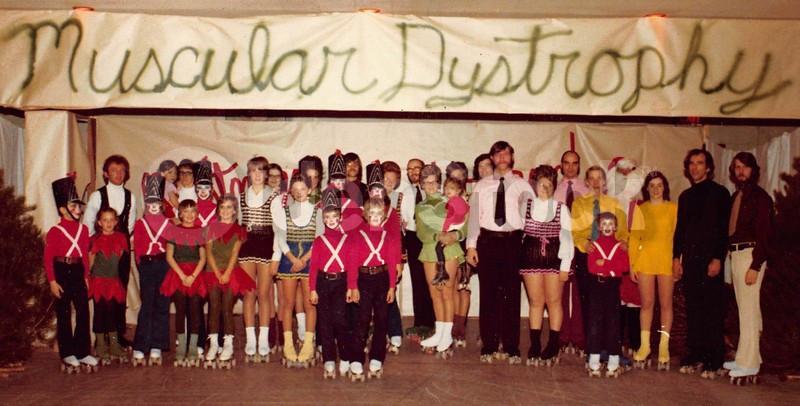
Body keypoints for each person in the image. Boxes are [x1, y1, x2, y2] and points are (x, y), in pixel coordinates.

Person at [466, 141, 534, 364]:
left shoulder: (523, 185)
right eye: (498, 154)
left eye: (506, 153)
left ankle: (512, 346)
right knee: (488, 295)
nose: (502, 157)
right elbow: (474, 218)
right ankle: (489, 344)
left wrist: (528, 246)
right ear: (492, 159)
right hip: (488, 241)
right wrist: (471, 246)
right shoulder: (481, 186)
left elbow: (531, 218)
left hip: (513, 243)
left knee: (512, 295)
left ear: (512, 157)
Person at [673, 149, 731, 378]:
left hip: (711, 261)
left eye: (700, 163)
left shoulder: (720, 193)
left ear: (708, 167)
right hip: (691, 263)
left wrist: (718, 257)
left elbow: (723, 230)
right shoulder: (685, 196)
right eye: (692, 163)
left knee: (711, 312)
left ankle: (714, 359)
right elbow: (681, 231)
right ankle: (696, 354)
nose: (695, 167)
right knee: (694, 310)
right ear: (687, 168)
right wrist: (676, 258)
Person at [724, 152, 774, 384]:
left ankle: (751, 363)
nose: (740, 171)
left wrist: (755, 265)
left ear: (753, 170)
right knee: (744, 308)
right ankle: (744, 356)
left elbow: (766, 235)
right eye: (736, 167)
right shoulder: (738, 195)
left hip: (750, 254)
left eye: (745, 167)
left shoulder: (760, 198)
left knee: (750, 309)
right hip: (736, 254)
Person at [570, 165, 629, 362]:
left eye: (599, 178)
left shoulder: (615, 203)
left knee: (611, 305)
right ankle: (593, 348)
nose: (595, 182)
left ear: (604, 182)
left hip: (610, 257)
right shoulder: (579, 204)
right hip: (587, 255)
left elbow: (622, 232)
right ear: (586, 182)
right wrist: (584, 243)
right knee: (589, 304)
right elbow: (576, 231)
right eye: (591, 179)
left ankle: (611, 349)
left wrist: (623, 242)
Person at [520, 165, 573, 367]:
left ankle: (553, 343)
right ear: (535, 184)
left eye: (549, 183)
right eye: (541, 183)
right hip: (531, 256)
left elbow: (567, 238)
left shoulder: (561, 208)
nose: (544, 187)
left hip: (554, 257)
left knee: (553, 301)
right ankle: (534, 343)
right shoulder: (525, 206)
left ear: (554, 185)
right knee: (535, 301)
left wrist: (565, 265)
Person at [45, 175, 97, 373]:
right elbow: (48, 257)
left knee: (83, 310)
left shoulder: (83, 230)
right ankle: (67, 352)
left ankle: (82, 351)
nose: (78, 210)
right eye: (73, 206)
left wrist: (86, 276)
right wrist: (52, 281)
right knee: (64, 313)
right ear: (62, 209)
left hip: (77, 271)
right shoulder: (55, 231)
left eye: (79, 207)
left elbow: (84, 254)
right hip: (60, 271)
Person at [83, 155, 135, 348]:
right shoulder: (97, 195)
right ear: (106, 173)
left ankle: (118, 335)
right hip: (101, 251)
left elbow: (129, 224)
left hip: (120, 252)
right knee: (100, 295)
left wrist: (120, 245)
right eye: (114, 170)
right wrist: (96, 247)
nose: (118, 174)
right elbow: (88, 223)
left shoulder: (131, 196)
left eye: (122, 170)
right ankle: (101, 337)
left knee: (119, 293)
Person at [416, 164, 466, 358]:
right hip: (429, 249)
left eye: (434, 182)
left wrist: (455, 235)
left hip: (450, 248)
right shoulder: (420, 206)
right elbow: (421, 231)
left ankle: (447, 335)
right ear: (421, 184)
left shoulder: (451, 200)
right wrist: (438, 236)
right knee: (435, 294)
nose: (430, 186)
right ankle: (440, 333)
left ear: (439, 182)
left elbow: (464, 224)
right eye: (426, 182)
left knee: (447, 292)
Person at [347, 197, 400, 381]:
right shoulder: (357, 234)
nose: (375, 217)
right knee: (361, 320)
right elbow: (352, 263)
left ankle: (377, 357)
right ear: (366, 215)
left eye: (379, 213)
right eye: (372, 213)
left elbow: (392, 262)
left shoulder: (389, 236)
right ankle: (356, 358)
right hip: (363, 279)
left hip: (382, 279)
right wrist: (352, 286)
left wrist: (392, 286)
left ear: (384, 215)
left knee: (381, 320)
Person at [629, 171, 677, 371]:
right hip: (646, 261)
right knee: (647, 304)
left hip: (666, 261)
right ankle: (645, 345)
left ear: (665, 187)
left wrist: (677, 261)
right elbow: (634, 238)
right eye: (652, 186)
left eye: (659, 185)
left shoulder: (674, 209)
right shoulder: (642, 209)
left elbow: (677, 236)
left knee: (666, 305)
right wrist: (633, 264)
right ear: (646, 189)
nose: (656, 189)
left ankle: (664, 347)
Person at [309, 188, 359, 379]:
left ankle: (345, 356)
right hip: (323, 282)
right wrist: (312, 289)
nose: (331, 220)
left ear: (340, 217)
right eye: (327, 216)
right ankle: (329, 358)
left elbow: (353, 266)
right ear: (323, 219)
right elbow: (313, 267)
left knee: (340, 321)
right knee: (325, 322)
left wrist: (351, 287)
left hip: (341, 282)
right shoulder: (319, 241)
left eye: (334, 216)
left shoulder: (348, 239)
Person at [273, 174, 322, 367]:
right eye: (295, 190)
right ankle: (288, 344)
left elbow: (319, 240)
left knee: (310, 303)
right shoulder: (284, 212)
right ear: (291, 192)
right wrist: (293, 258)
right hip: (289, 260)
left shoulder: (317, 212)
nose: (299, 193)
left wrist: (304, 259)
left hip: (310, 258)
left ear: (309, 190)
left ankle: (308, 344)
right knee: (288, 303)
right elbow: (280, 238)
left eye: (303, 189)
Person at [203, 194, 256, 369]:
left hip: (231, 273)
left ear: (234, 210)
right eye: (222, 207)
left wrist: (226, 274)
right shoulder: (211, 228)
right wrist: (217, 272)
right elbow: (209, 252)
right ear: (218, 210)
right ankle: (213, 343)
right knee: (214, 307)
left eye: (229, 207)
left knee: (226, 307)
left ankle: (228, 343)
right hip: (213, 272)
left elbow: (234, 253)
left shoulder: (239, 230)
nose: (225, 211)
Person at [238, 156, 279, 363]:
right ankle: (250, 339)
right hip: (247, 244)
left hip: (266, 244)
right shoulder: (241, 196)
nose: (256, 175)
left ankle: (263, 338)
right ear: (248, 173)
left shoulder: (274, 196)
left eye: (260, 171)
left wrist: (276, 256)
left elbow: (280, 229)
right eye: (253, 171)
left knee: (263, 294)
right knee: (248, 294)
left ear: (265, 174)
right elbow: (237, 224)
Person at [160, 199, 207, 367]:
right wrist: (182, 276)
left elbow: (203, 258)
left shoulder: (201, 232)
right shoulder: (174, 231)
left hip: (195, 274)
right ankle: (181, 346)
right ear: (179, 214)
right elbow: (169, 256)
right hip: (178, 274)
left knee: (195, 310)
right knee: (180, 310)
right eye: (185, 212)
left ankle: (193, 346)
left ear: (197, 214)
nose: (189, 215)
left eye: (192, 211)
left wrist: (193, 276)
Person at [132, 173, 172, 366]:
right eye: (150, 202)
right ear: (146, 204)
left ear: (162, 204)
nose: (153, 206)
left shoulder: (167, 223)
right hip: (147, 265)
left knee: (162, 305)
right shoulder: (140, 224)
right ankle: (140, 346)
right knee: (147, 305)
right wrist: (143, 266)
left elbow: (170, 246)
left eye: (156, 202)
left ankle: (157, 345)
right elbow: (138, 249)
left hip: (164, 264)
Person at [586, 212, 629, 378]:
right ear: (598, 226)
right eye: (604, 224)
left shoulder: (620, 246)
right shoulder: (594, 246)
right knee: (595, 323)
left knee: (613, 323)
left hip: (612, 287)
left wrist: (605, 264)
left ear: (616, 227)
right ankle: (594, 362)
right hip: (597, 286)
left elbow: (624, 266)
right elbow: (592, 267)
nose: (607, 227)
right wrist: (611, 268)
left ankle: (613, 363)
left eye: (610, 224)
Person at [554, 150, 589, 355]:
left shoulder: (586, 190)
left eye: (574, 163)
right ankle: (561, 335)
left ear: (579, 165)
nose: (570, 167)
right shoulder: (554, 190)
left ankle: (578, 336)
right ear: (561, 165)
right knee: (558, 293)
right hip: (559, 247)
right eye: (566, 163)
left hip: (580, 246)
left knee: (578, 293)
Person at [89, 207, 130, 365]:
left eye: (111, 220)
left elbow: (119, 259)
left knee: (113, 312)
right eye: (104, 220)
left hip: (113, 282)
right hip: (99, 282)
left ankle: (113, 344)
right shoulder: (94, 239)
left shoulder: (121, 238)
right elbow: (91, 262)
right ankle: (100, 344)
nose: (108, 223)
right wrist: (88, 279)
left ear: (116, 221)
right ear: (99, 222)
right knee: (100, 312)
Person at [402, 158, 436, 339]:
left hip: (430, 238)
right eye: (410, 169)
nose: (413, 171)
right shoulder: (406, 192)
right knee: (417, 280)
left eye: (417, 167)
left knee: (431, 280)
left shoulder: (432, 189)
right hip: (413, 237)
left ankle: (432, 323)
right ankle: (420, 322)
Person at [382, 160, 409, 354]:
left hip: (392, 252)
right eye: (385, 178)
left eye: (393, 178)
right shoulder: (371, 197)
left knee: (389, 292)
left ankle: (395, 332)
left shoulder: (400, 199)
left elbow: (403, 229)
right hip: (372, 253)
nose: (389, 182)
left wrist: (398, 260)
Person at [194, 160, 218, 227]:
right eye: (199, 187)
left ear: (212, 190)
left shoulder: (219, 209)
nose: (203, 191)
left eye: (207, 187)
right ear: (195, 190)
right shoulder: (190, 208)